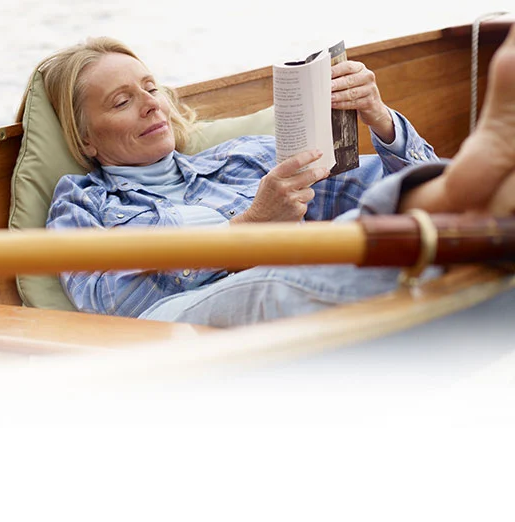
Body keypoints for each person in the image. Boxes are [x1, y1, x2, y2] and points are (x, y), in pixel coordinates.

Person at [44, 27, 514, 327]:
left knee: (382, 216)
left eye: (151, 88)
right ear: (85, 139)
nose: (151, 103)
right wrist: (247, 232)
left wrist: (380, 119)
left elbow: (377, 186)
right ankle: (474, 189)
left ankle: (474, 187)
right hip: (175, 323)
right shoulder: (82, 203)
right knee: (284, 276)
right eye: (122, 101)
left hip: (312, 266)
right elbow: (112, 304)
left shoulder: (244, 158)